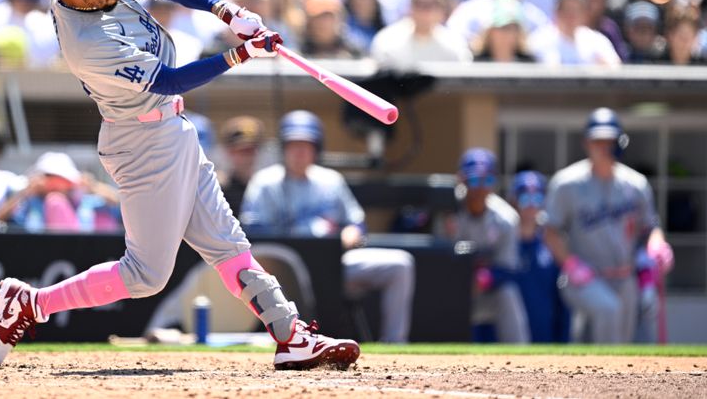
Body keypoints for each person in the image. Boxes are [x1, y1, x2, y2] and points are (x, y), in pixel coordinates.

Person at [0, 0, 359, 371]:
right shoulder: (89, 44)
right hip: (140, 144)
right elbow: (168, 80)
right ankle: (30, 303)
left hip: (171, 131)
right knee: (145, 275)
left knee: (228, 246)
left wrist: (229, 12)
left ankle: (290, 335)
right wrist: (241, 54)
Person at [241, 110, 415, 343]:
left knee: (400, 264)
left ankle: (394, 344)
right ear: (284, 147)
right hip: (283, 272)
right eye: (294, 145)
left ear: (317, 148)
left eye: (306, 145)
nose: (299, 152)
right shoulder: (265, 182)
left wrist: (351, 233)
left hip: (333, 266)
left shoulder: (331, 180)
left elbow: (356, 223)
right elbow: (252, 232)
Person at [543, 108, 674, 343]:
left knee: (619, 342)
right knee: (608, 310)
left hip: (625, 277)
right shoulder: (567, 184)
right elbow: (550, 231)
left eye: (610, 140)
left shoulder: (635, 184)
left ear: (620, 142)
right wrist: (570, 263)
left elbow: (650, 226)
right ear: (586, 142)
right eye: (598, 140)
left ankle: (589, 378)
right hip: (584, 277)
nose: (604, 147)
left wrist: (658, 243)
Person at [444, 148, 529, 343]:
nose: (480, 188)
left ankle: (520, 358)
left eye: (487, 180)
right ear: (461, 180)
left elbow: (509, 268)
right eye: (474, 180)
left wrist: (483, 279)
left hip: (485, 290)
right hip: (451, 287)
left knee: (508, 294)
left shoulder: (506, 218)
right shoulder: (445, 209)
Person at [510, 171, 570, 343]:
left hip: (545, 334)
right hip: (509, 338)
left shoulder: (553, 243)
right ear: (514, 202)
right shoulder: (505, 242)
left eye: (537, 198)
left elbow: (562, 299)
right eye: (524, 198)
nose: (531, 205)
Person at [217, 115, 265, 217]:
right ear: (229, 152)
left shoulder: (265, 187)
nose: (247, 157)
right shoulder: (220, 189)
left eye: (251, 151)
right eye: (241, 151)